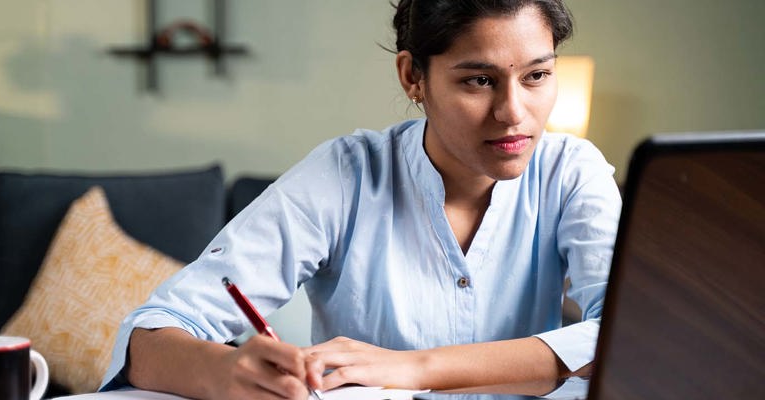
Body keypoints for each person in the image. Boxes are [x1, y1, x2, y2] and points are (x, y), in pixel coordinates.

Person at [101, 0, 622, 399]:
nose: (513, 112)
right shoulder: (345, 175)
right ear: (413, 76)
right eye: (479, 80)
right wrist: (229, 371)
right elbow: (149, 337)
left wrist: (416, 368)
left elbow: (625, 339)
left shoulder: (572, 172)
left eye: (537, 76)